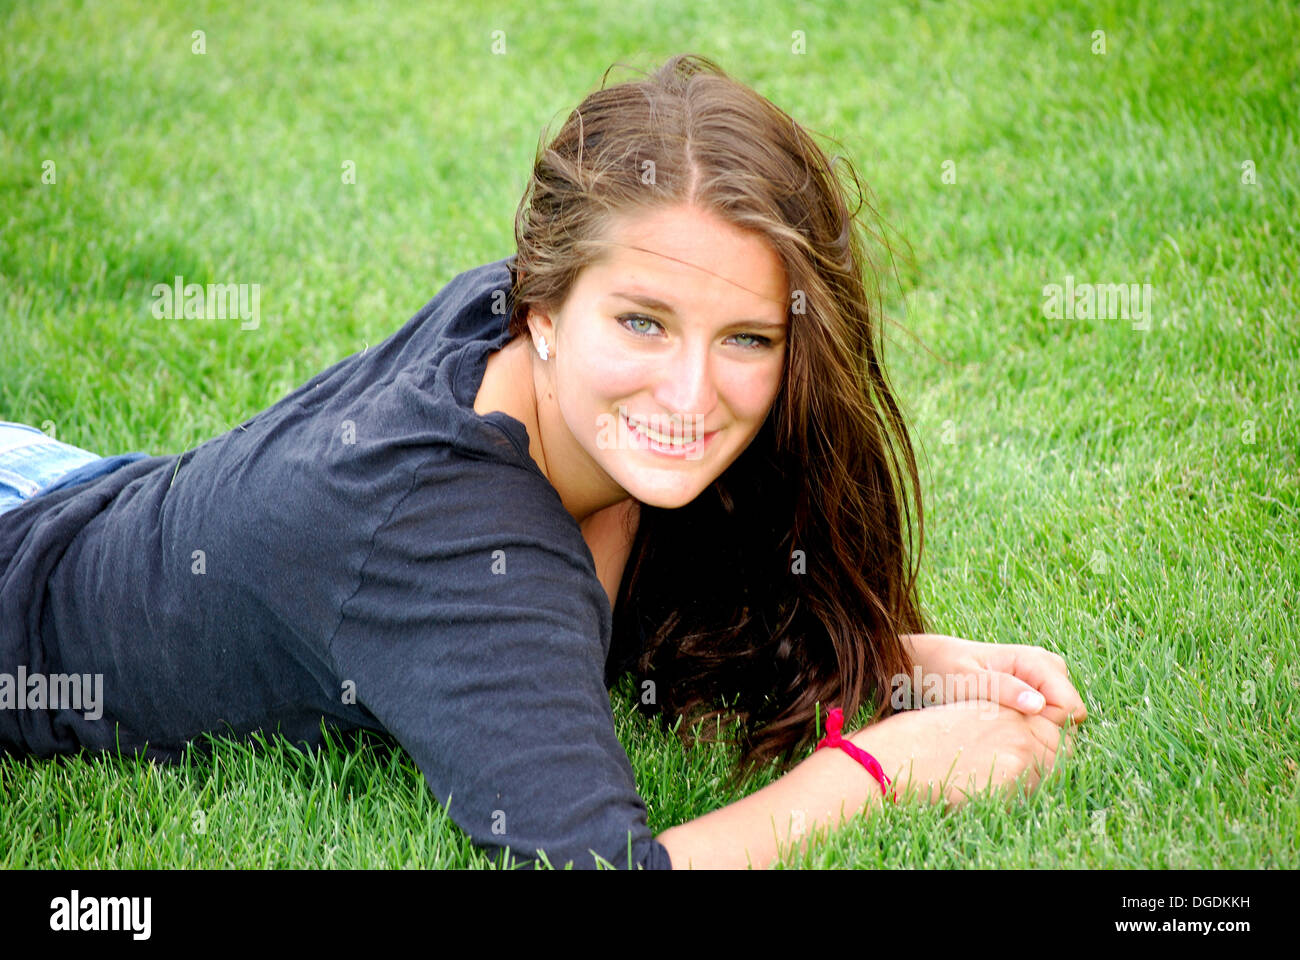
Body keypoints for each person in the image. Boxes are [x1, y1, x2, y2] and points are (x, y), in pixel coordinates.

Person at [0, 53, 1085, 870]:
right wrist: (882, 770)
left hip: (69, 480)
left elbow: (632, 620)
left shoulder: (521, 350)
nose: (689, 394)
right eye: (645, 323)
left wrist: (885, 659)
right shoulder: (450, 532)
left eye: (746, 339)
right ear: (544, 306)